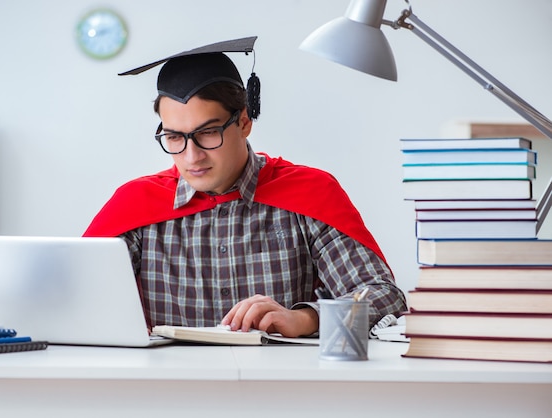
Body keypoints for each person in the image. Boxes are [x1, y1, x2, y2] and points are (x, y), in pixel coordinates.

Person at [83, 36, 407, 338]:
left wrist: (307, 319)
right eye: (174, 137)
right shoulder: (137, 205)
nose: (191, 156)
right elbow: (71, 296)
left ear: (244, 122)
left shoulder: (309, 193)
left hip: (283, 389)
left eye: (208, 133)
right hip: (167, 390)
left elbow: (384, 297)